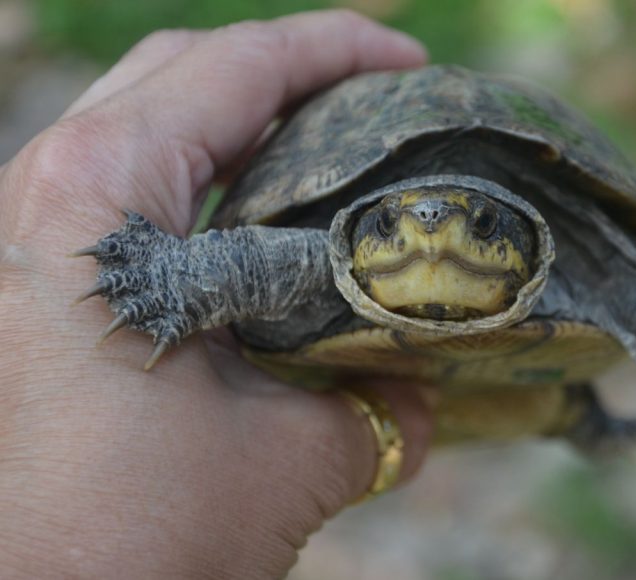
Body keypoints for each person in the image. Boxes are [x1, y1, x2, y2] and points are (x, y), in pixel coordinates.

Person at [0, 10, 435, 578]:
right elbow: (314, 254)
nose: (431, 240)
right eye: (390, 226)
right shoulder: (329, 256)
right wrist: (175, 278)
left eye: (482, 226)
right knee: (309, 259)